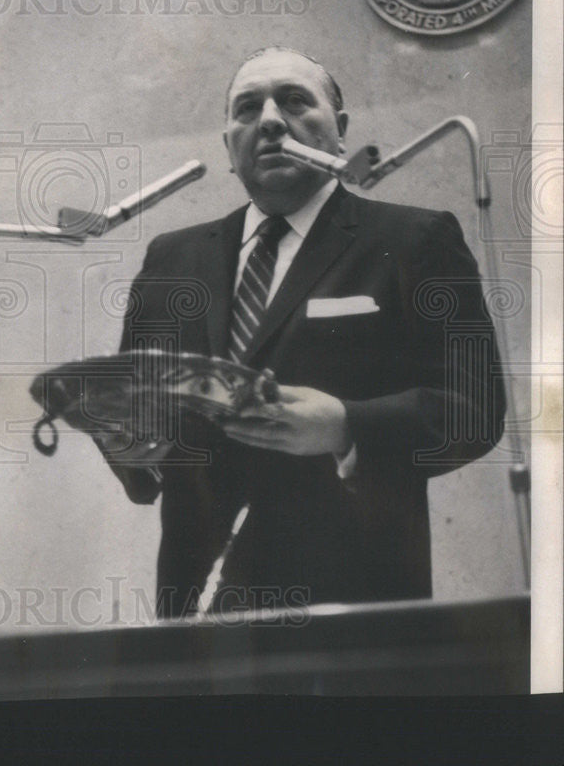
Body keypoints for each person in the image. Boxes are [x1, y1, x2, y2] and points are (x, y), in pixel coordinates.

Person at [98, 47, 506, 618]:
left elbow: (476, 409)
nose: (268, 120)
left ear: (339, 133)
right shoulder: (171, 258)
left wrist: (345, 426)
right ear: (228, 147)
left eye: (293, 100)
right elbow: (138, 424)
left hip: (355, 611)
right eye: (247, 108)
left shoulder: (416, 240)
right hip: (195, 614)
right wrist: (130, 448)